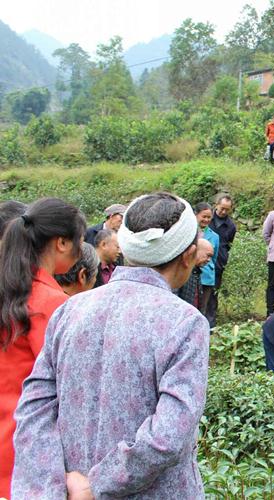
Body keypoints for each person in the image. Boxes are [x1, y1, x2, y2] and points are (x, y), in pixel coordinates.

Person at [12, 192, 209, 499]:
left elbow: (33, 409)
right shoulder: (185, 322)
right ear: (188, 255)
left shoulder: (70, 309)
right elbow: (169, 435)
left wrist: (52, 487)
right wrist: (97, 484)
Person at [0, 198, 85, 498]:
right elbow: (68, 389)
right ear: (61, 242)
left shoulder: (11, 291)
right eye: (80, 240)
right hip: (26, 447)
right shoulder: (51, 303)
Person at [208, 194, 237, 328]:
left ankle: (211, 325)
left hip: (218, 263)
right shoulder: (207, 218)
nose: (224, 212)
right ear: (216, 205)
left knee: (213, 294)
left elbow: (229, 244)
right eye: (222, 208)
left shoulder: (231, 226)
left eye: (227, 209)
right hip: (202, 261)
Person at [195, 202, 219, 324]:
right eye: (203, 216)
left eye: (209, 217)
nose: (206, 220)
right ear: (196, 215)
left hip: (207, 277)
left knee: (202, 309)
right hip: (190, 275)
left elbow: (213, 258)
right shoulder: (189, 233)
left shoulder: (215, 236)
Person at [175, 238, 214, 309]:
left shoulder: (196, 272)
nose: (209, 260)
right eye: (208, 255)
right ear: (195, 251)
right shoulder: (182, 271)